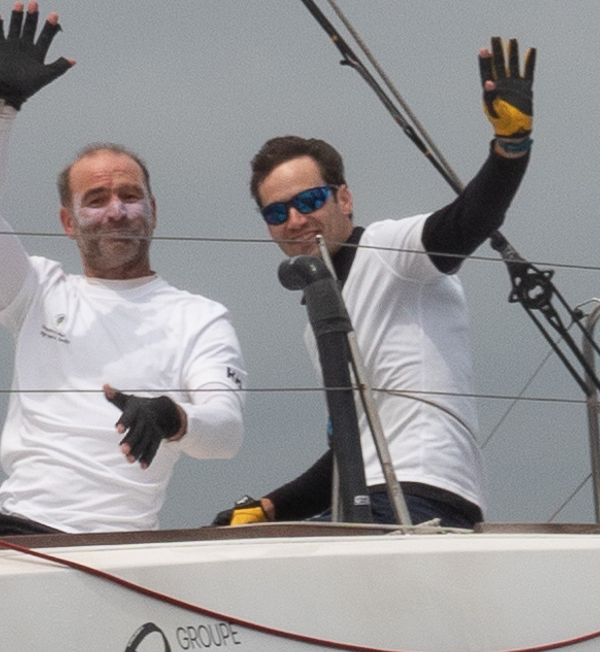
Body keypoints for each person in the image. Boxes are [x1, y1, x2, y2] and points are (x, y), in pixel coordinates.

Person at [0, 1, 244, 538]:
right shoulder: (38, 290)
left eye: (130, 195)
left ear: (154, 210)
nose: (116, 211)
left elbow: (225, 433)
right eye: (97, 199)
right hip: (9, 526)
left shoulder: (199, 317)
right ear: (68, 222)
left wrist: (172, 417)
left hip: (112, 544)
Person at [216, 37, 534, 531]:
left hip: (425, 493)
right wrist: (266, 508)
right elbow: (352, 446)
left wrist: (510, 148)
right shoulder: (318, 321)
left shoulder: (389, 250)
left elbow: (469, 221)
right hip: (369, 495)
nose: (295, 220)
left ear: (344, 199)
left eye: (310, 201)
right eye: (277, 213)